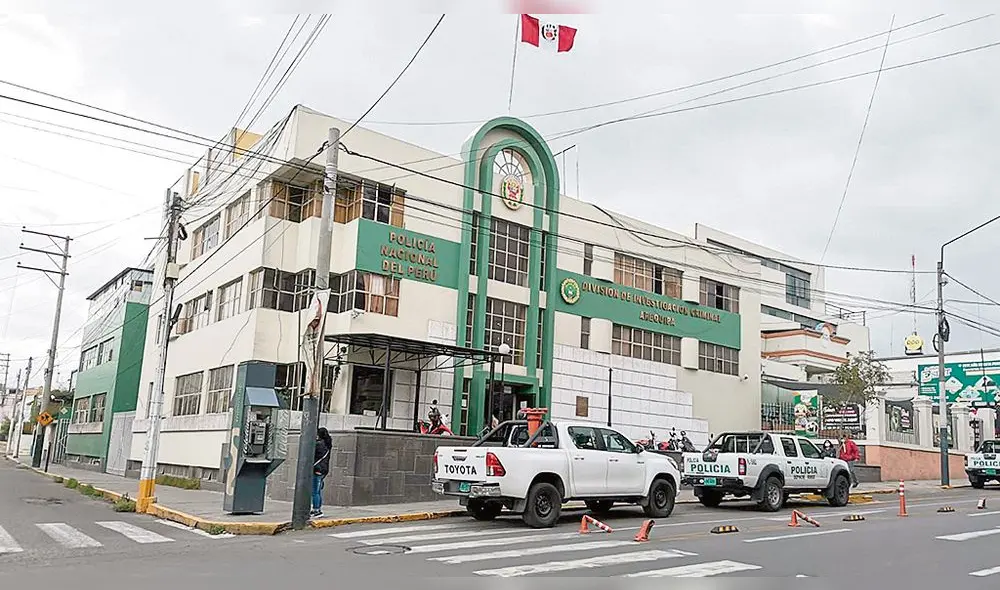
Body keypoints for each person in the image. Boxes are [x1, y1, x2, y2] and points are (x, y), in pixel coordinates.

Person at [311, 427, 332, 518]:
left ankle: (317, 510)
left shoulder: (319, 444)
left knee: (315, 491)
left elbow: (312, 454)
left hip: (318, 469)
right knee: (317, 490)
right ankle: (317, 508)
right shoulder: (327, 444)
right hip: (323, 470)